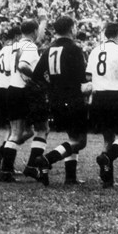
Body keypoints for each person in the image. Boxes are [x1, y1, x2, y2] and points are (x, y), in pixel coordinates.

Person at [33, 16, 90, 186]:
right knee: (80, 141)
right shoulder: (74, 49)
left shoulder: (48, 49)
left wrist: (53, 84)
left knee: (72, 137)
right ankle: (47, 159)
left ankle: (70, 177)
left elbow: (37, 76)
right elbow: (81, 78)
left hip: (55, 99)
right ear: (72, 28)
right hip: (73, 97)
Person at [87, 22, 118, 189]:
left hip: (98, 97)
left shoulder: (95, 50)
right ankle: (107, 157)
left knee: (108, 137)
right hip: (117, 95)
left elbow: (88, 75)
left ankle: (107, 179)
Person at [0, 15, 48, 183]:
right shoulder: (30, 46)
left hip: (12, 89)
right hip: (25, 90)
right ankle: (32, 166)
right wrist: (38, 78)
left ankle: (5, 170)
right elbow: (23, 65)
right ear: (34, 31)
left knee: (15, 132)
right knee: (43, 128)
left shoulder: (13, 46)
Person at [0, 26, 21, 174]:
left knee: (11, 129)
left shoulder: (2, 51)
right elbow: (10, 69)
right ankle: (2, 154)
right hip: (10, 89)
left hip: (3, 89)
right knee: (21, 131)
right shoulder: (13, 49)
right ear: (16, 36)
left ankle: (4, 160)